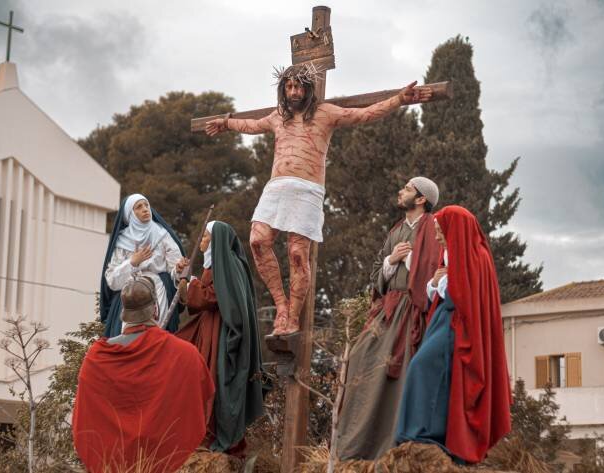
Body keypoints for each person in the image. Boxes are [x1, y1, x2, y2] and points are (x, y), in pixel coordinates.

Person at [205, 65, 434, 336]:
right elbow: (252, 125)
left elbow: (362, 115)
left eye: (300, 86)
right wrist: (226, 122)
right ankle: (280, 304)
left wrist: (398, 100)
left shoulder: (325, 113)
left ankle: (292, 317)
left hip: (307, 190)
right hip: (276, 188)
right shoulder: (278, 116)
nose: (294, 91)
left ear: (309, 89)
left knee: (298, 254)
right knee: (257, 241)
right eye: (289, 86)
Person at [335, 177, 443, 460]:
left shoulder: (432, 227)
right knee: (360, 359)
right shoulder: (396, 230)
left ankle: (394, 447)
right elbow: (376, 275)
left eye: (407, 189)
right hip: (386, 309)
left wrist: (410, 263)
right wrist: (390, 261)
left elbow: (436, 267)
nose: (401, 191)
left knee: (403, 371)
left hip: (412, 311)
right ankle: (357, 450)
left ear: (421, 199)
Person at [395, 205, 512, 464]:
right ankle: (422, 433)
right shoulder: (452, 255)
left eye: (440, 230)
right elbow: (437, 294)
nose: (437, 236)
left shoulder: (476, 256)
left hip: (458, 326)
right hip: (444, 321)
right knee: (435, 374)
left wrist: (440, 283)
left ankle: (423, 432)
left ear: (454, 230)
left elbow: (464, 297)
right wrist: (437, 283)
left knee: (422, 366)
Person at [73, 276, 214, 473]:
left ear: (123, 314)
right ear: (155, 309)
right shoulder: (185, 353)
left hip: (112, 463)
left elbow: (87, 415)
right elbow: (204, 396)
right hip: (165, 462)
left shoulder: (98, 357)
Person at [174, 221, 266, 454]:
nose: (202, 241)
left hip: (222, 333)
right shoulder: (214, 265)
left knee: (214, 381)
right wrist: (184, 277)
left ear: (217, 241)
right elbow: (199, 298)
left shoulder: (230, 265)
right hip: (209, 329)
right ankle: (199, 434)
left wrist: (191, 282)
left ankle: (212, 435)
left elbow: (213, 298)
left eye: (205, 236)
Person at [100, 193, 184, 337]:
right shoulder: (122, 241)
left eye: (146, 205)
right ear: (130, 214)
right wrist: (132, 262)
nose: (145, 209)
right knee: (129, 339)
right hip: (129, 294)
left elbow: (175, 267)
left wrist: (178, 268)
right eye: (139, 207)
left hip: (158, 292)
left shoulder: (162, 234)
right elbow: (112, 281)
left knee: (156, 336)